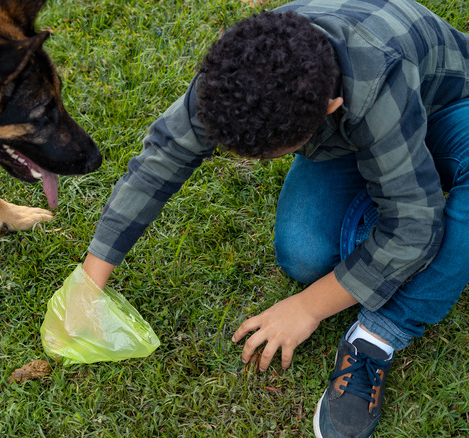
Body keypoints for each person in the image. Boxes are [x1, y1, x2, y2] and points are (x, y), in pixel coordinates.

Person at [71, 1, 469, 437]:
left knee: (415, 228)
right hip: (356, 131)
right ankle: (406, 195)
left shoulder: (375, 78)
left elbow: (413, 229)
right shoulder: (237, 71)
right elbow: (161, 159)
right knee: (304, 255)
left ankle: (378, 336)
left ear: (329, 108)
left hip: (446, 110)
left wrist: (309, 308)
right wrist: (89, 284)